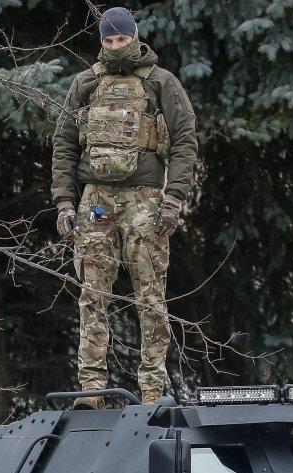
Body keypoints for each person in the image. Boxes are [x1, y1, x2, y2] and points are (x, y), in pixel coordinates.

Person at [51, 6, 198, 406]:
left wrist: (173, 199)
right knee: (92, 294)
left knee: (149, 296)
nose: (116, 46)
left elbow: (184, 142)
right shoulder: (84, 83)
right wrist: (65, 202)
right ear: (102, 41)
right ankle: (91, 389)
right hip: (95, 200)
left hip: (146, 200)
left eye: (122, 39)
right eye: (109, 40)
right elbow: (64, 145)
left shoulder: (161, 83)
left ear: (134, 37)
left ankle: (152, 390)